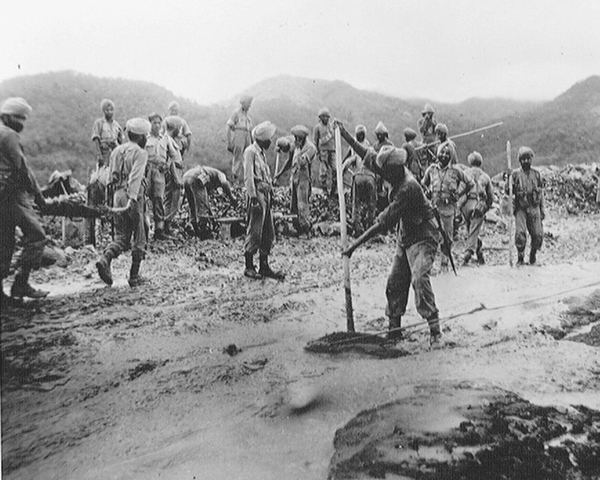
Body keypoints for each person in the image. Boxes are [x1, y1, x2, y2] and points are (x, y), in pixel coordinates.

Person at [335, 119, 443, 345]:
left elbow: (381, 224)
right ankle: (394, 331)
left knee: (419, 279)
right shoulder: (388, 166)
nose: (382, 175)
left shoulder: (408, 187)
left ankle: (435, 331)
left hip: (424, 237)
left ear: (395, 170)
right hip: (405, 236)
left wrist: (353, 247)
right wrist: (344, 133)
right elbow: (365, 152)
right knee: (394, 282)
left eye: (385, 174)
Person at [0, 97, 49, 303]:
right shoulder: (9, 135)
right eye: (19, 118)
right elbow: (23, 168)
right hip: (11, 193)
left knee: (5, 242)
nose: (22, 123)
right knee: (37, 235)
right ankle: (21, 283)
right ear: (8, 117)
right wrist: (38, 196)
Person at [95, 118, 150, 288]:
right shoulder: (141, 153)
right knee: (139, 234)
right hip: (132, 196)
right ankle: (134, 276)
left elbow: (111, 178)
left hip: (117, 195)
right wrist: (133, 199)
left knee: (121, 236)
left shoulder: (116, 151)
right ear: (142, 137)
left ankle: (105, 259)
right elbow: (135, 177)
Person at [243, 121, 285, 280]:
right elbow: (248, 176)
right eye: (269, 139)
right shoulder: (250, 152)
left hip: (266, 193)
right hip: (257, 194)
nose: (271, 142)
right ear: (262, 139)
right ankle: (249, 266)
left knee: (268, 232)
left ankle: (264, 265)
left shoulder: (261, 153)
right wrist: (253, 197)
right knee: (255, 230)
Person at [421, 143, 474, 268]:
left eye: (447, 154)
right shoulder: (432, 169)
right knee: (431, 236)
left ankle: (444, 264)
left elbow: (470, 184)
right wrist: (427, 191)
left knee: (447, 238)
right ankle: (429, 265)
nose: (444, 155)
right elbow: (423, 183)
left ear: (450, 156)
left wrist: (459, 194)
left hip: (448, 209)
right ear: (438, 154)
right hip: (433, 208)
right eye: (442, 152)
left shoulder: (455, 171)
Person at [87, 99, 123, 245]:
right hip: (103, 153)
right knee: (98, 178)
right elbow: (96, 140)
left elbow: (122, 143)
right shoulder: (99, 123)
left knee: (115, 178)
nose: (109, 112)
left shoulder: (117, 126)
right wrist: (99, 155)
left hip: (114, 154)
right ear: (103, 111)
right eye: (107, 110)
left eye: (111, 110)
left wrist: (117, 145)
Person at [274, 125, 316, 237]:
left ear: (304, 138)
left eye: (298, 138)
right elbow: (289, 161)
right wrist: (279, 174)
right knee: (293, 205)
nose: (296, 140)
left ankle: (306, 230)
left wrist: (301, 156)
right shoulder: (296, 144)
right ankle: (297, 229)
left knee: (302, 205)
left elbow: (303, 162)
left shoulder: (310, 148)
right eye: (295, 138)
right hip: (294, 177)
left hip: (304, 179)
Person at [509, 146, 545, 265]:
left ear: (531, 159)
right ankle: (520, 258)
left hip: (534, 207)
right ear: (520, 161)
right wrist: (509, 180)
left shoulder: (537, 174)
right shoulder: (515, 175)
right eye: (523, 159)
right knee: (520, 233)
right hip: (521, 208)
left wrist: (542, 210)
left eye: (528, 159)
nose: (526, 162)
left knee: (538, 234)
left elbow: (541, 193)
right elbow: (507, 191)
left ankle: (533, 255)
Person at [341, 125, 377, 235]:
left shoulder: (354, 147)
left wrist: (341, 171)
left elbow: (347, 161)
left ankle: (357, 228)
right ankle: (369, 228)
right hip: (370, 177)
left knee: (356, 203)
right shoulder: (370, 148)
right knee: (371, 204)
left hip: (358, 177)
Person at [183, 165, 235, 239]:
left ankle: (196, 231)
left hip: (186, 176)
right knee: (202, 209)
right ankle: (204, 233)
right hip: (197, 177)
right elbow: (225, 183)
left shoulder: (210, 179)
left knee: (192, 206)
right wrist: (232, 198)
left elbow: (206, 202)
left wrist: (212, 219)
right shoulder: (221, 174)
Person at [461, 152, 494, 265]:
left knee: (471, 230)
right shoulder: (485, 176)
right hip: (479, 205)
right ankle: (468, 253)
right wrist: (486, 206)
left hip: (465, 205)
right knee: (474, 230)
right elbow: (491, 196)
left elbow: (459, 189)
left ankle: (478, 253)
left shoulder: (464, 173)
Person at [144, 112, 171, 241]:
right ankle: (143, 229)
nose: (157, 125)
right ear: (150, 124)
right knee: (144, 199)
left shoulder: (165, 139)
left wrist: (167, 165)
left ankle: (159, 230)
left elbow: (174, 154)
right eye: (154, 123)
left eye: (159, 123)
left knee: (159, 200)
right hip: (147, 170)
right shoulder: (145, 138)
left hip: (160, 172)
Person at [162, 115, 185, 236]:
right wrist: (176, 177)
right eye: (180, 128)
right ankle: (165, 225)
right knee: (172, 202)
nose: (180, 131)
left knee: (172, 201)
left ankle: (167, 226)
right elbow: (170, 161)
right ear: (174, 127)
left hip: (177, 171)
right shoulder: (166, 139)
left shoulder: (172, 140)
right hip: (173, 173)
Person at [226, 95, 254, 185]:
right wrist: (229, 142)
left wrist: (253, 144)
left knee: (248, 158)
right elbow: (228, 127)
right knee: (238, 158)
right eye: (248, 103)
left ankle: (246, 180)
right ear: (243, 103)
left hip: (247, 136)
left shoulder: (248, 117)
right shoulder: (236, 113)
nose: (249, 105)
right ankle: (236, 180)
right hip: (239, 135)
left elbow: (250, 132)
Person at [313, 107, 337, 197]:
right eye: (324, 117)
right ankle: (324, 190)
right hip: (323, 152)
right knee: (323, 172)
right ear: (321, 117)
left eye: (327, 117)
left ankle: (334, 189)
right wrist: (318, 152)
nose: (326, 118)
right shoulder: (317, 128)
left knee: (335, 170)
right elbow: (315, 141)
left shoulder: (331, 126)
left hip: (332, 151)